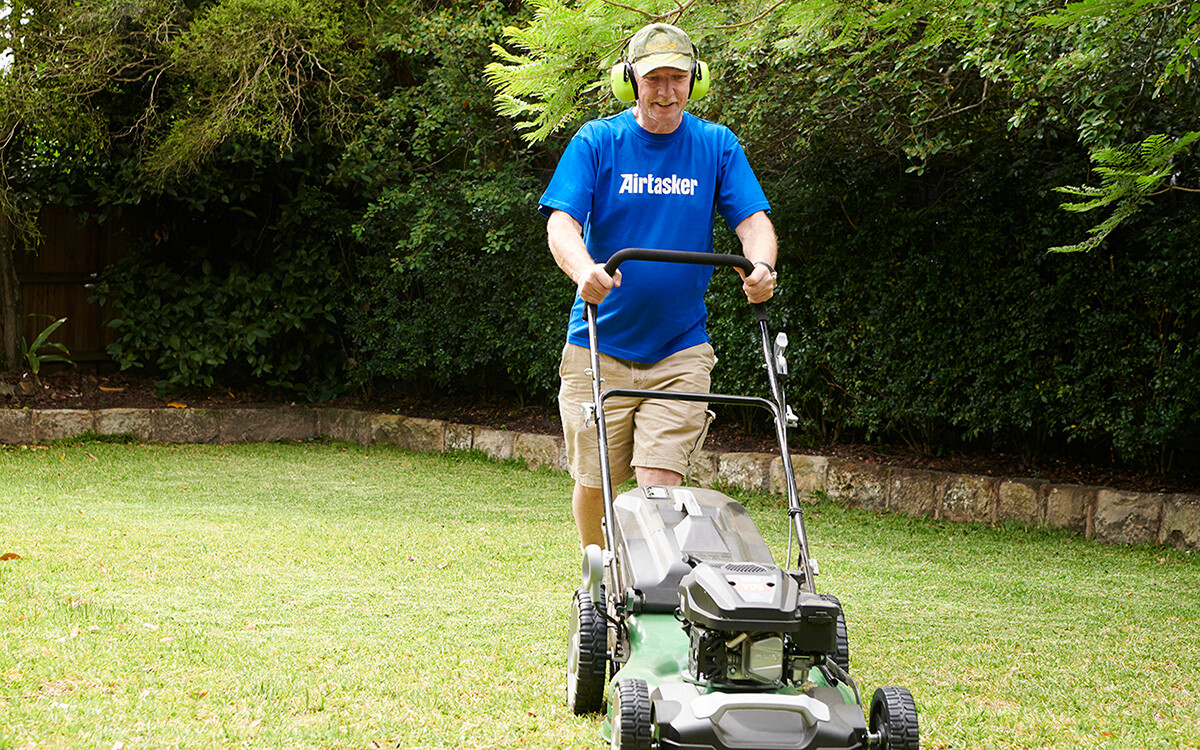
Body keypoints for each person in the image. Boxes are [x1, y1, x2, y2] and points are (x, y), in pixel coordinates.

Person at [538, 22, 778, 549]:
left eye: (679, 77)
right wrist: (585, 271)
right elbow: (562, 224)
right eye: (654, 79)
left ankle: (652, 591)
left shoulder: (716, 145)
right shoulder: (598, 141)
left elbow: (753, 221)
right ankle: (600, 580)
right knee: (596, 480)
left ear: (697, 80)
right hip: (598, 344)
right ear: (630, 82)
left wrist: (760, 267)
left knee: (660, 483)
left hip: (680, 349)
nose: (667, 91)